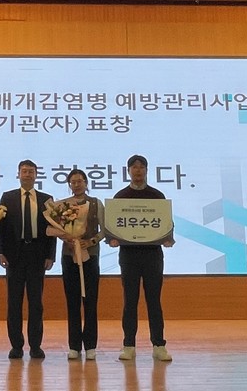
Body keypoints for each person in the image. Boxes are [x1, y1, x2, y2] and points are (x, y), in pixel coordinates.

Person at [107, 154, 175, 362]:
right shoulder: (120, 197)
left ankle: (159, 345)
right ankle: (129, 345)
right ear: (128, 171)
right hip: (129, 255)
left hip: (152, 255)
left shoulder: (157, 195)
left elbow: (166, 222)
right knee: (130, 300)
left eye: (141, 167)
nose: (138, 171)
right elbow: (112, 225)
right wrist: (112, 239)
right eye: (134, 167)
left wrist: (168, 238)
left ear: (146, 170)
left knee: (154, 300)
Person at [0, 159, 57, 360]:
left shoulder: (46, 199)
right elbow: (0, 228)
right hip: (14, 256)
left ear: (36, 175)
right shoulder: (8, 197)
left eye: (31, 171)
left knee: (36, 303)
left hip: (37, 255)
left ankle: (36, 346)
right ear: (18, 174)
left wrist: (50, 255)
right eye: (24, 171)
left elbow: (53, 229)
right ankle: (16, 346)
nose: (28, 175)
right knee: (14, 303)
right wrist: (0, 252)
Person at [55, 168, 105, 361]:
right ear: (69, 185)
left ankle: (90, 345)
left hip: (89, 256)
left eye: (80, 181)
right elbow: (57, 229)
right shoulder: (63, 205)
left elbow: (104, 230)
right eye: (73, 182)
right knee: (72, 302)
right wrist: (66, 238)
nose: (76, 185)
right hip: (69, 257)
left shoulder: (96, 203)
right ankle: (74, 346)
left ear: (86, 183)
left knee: (90, 301)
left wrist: (91, 241)